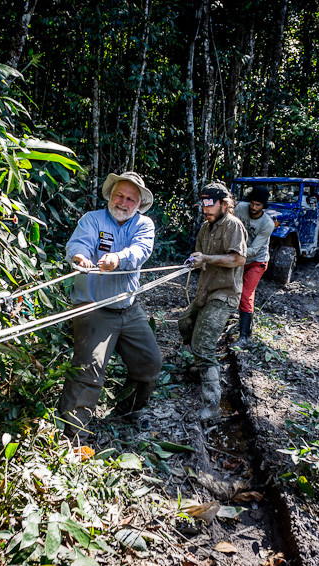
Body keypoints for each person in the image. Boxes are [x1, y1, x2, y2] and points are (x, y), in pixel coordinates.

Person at [60, 171, 163, 443]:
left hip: (128, 307)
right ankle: (73, 434)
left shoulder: (144, 224)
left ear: (139, 204)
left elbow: (141, 251)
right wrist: (80, 257)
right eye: (119, 195)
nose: (124, 202)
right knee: (89, 367)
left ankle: (129, 410)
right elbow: (78, 245)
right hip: (93, 306)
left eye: (131, 198)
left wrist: (118, 258)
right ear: (110, 195)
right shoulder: (92, 219)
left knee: (150, 362)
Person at [178, 182, 247, 423]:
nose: (206, 209)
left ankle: (212, 406)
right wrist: (197, 261)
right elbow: (202, 259)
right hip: (205, 290)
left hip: (224, 293)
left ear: (224, 204)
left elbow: (238, 259)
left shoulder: (233, 225)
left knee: (204, 343)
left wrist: (206, 257)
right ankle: (201, 367)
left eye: (210, 204)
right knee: (185, 323)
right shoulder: (205, 228)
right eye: (204, 204)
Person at [233, 186, 275, 346]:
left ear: (264, 206)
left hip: (257, 260)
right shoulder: (241, 208)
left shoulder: (267, 224)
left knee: (246, 293)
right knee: (230, 287)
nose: (253, 207)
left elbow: (254, 250)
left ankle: (245, 337)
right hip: (239, 257)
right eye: (252, 203)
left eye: (258, 205)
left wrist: (231, 254)